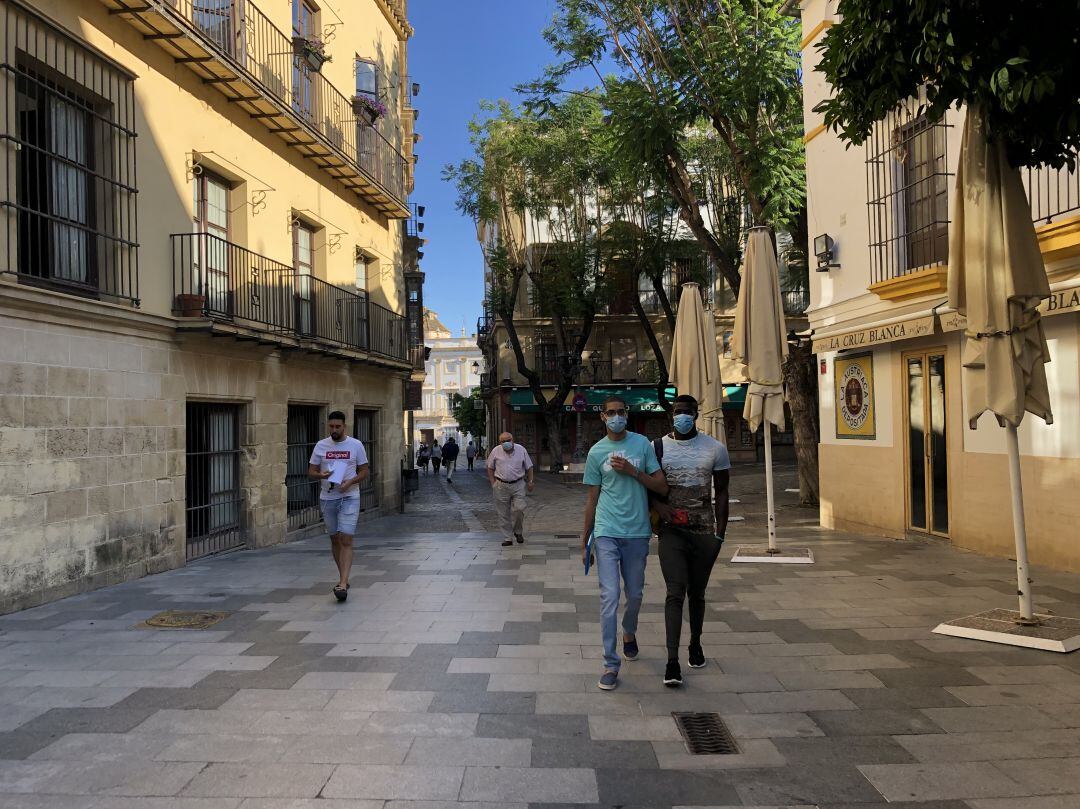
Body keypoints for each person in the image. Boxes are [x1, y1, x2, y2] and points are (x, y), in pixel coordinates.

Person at [582, 395, 668, 691]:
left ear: (626, 414)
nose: (616, 416)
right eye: (611, 412)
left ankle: (629, 631)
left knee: (635, 594)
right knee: (609, 596)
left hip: (637, 532)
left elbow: (661, 485)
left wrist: (633, 471)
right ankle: (610, 662)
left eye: (621, 412)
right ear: (602, 417)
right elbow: (592, 498)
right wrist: (586, 538)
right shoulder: (596, 453)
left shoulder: (642, 445)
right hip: (606, 531)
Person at [650, 395, 730, 688]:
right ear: (671, 415)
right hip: (671, 533)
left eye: (687, 412)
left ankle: (695, 642)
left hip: (704, 533)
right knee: (675, 592)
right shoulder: (656, 448)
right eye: (677, 412)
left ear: (697, 414)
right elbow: (647, 487)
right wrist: (660, 509)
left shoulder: (715, 449)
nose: (682, 416)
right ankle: (672, 662)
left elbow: (721, 491)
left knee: (697, 593)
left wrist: (720, 534)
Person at [308, 411, 369, 602]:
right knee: (335, 539)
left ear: (344, 426)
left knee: (346, 538)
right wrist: (321, 476)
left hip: (350, 496)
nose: (334, 430)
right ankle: (343, 575)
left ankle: (342, 583)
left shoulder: (355, 445)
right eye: (331, 427)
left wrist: (350, 482)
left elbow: (364, 470)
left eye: (337, 427)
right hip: (328, 497)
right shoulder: (321, 445)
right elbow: (311, 471)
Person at [487, 432, 534, 547]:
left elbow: (529, 466)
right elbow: (490, 467)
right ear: (500, 443)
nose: (506, 443)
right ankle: (507, 537)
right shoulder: (496, 451)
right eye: (503, 441)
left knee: (519, 509)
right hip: (501, 485)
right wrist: (493, 482)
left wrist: (530, 481)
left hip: (518, 484)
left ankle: (518, 531)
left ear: (513, 439)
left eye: (508, 440)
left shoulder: (521, 449)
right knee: (503, 513)